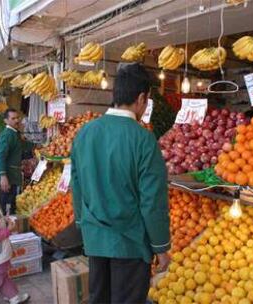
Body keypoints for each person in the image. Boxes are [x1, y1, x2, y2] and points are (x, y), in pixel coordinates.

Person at [70, 63, 171, 304]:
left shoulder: (84, 133)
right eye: (147, 101)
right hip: (130, 243)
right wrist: (161, 246)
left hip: (95, 238)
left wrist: (83, 224)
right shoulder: (144, 140)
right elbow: (152, 202)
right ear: (141, 98)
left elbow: (77, 185)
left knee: (100, 299)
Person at [0, 109, 34, 215]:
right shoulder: (7, 135)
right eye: (13, 118)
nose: (17, 120)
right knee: (5, 207)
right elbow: (0, 156)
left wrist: (38, 146)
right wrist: (2, 176)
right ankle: (3, 229)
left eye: (17, 118)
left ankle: (9, 227)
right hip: (7, 178)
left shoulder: (14, 133)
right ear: (6, 121)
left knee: (11, 205)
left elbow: (22, 144)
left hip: (13, 176)